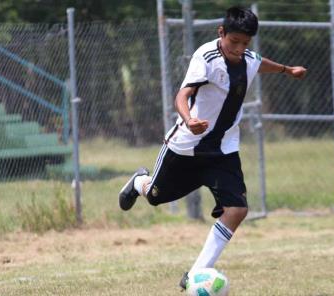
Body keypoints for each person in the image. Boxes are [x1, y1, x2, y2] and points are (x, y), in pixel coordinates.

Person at [118, 6, 307, 291]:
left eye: (245, 43)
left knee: (237, 209)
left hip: (223, 151)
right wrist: (189, 119)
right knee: (157, 196)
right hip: (186, 147)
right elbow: (182, 95)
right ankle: (139, 182)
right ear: (221, 33)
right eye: (234, 42)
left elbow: (259, 62)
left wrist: (286, 70)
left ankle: (195, 273)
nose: (239, 49)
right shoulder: (206, 57)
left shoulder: (247, 58)